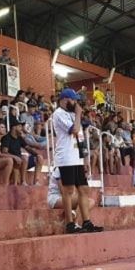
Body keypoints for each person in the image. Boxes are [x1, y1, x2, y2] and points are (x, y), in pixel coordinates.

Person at [52, 88, 103, 233]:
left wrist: (85, 158)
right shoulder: (58, 114)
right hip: (66, 158)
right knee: (68, 190)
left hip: (77, 158)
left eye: (75, 100)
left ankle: (86, 221)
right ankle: (70, 224)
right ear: (64, 99)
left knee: (83, 189)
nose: (75, 103)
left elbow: (80, 138)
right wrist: (79, 114)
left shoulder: (73, 115)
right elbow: (73, 130)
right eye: (72, 100)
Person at [1, 120, 44, 186]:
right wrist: (15, 157)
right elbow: (4, 152)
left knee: (39, 158)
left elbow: (28, 148)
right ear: (14, 127)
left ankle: (36, 181)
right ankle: (23, 182)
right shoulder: (6, 137)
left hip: (21, 160)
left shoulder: (19, 138)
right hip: (13, 161)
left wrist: (37, 155)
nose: (22, 128)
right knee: (24, 158)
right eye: (19, 126)